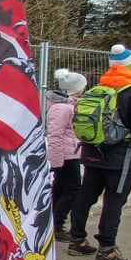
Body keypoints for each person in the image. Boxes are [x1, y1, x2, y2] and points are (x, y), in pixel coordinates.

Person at [67, 44, 131, 260]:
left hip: (92, 152)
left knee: (86, 194)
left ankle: (76, 239)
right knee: (114, 200)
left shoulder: (97, 89)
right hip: (122, 157)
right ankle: (106, 249)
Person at [46, 68, 87, 241]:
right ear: (78, 88)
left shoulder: (68, 105)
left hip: (69, 153)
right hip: (66, 156)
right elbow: (54, 135)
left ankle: (54, 223)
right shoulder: (62, 108)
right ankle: (56, 223)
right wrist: (56, 161)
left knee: (60, 188)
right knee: (72, 190)